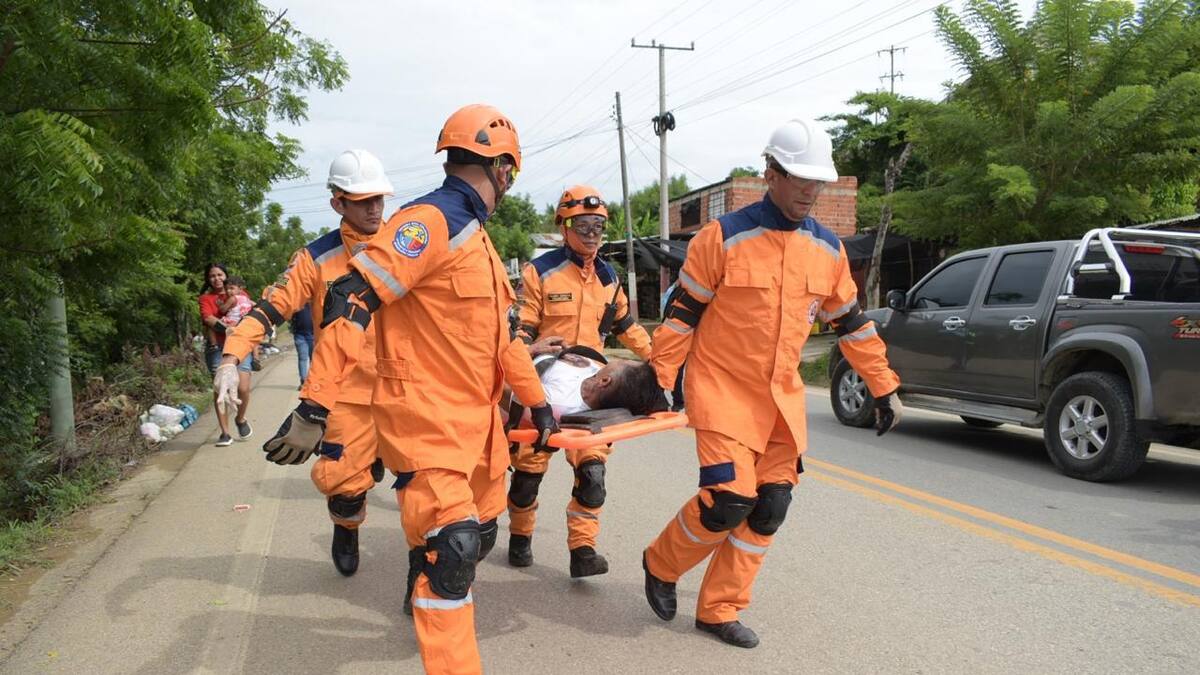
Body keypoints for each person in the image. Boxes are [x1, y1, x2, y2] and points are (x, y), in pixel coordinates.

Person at [261, 104, 557, 675]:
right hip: (426, 425)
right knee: (453, 552)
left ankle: (420, 565)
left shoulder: (479, 241)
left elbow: (502, 340)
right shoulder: (430, 222)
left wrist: (538, 402)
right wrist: (315, 405)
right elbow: (350, 298)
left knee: (479, 537)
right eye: (510, 172)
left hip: (480, 431)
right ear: (503, 169)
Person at [642, 118, 904, 649]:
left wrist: (882, 385)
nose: (810, 191)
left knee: (770, 507)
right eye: (800, 179)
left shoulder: (828, 249)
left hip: (782, 400)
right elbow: (681, 317)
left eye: (818, 181)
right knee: (728, 500)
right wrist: (659, 380)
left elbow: (851, 323)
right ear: (772, 173)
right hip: (722, 391)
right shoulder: (722, 237)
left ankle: (719, 609)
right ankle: (661, 563)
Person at [214, 149, 394, 577]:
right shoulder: (315, 259)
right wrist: (231, 358)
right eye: (362, 201)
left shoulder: (407, 247)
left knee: (430, 484)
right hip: (345, 391)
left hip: (406, 385)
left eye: (378, 199)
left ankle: (427, 572)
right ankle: (346, 526)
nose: (374, 209)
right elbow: (270, 309)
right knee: (344, 484)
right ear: (338, 203)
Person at [507, 184, 653, 576]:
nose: (592, 233)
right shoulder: (540, 271)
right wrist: (529, 348)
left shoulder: (609, 278)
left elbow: (627, 328)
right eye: (583, 225)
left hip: (592, 391)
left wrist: (661, 364)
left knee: (592, 475)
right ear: (564, 226)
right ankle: (520, 537)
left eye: (598, 226)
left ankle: (583, 550)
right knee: (527, 476)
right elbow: (523, 327)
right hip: (546, 386)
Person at [504, 352, 668, 423]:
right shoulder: (597, 371)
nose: (618, 359)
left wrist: (527, 350)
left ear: (605, 381)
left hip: (503, 355)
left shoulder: (558, 403)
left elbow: (498, 387)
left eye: (623, 361)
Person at [198, 263, 253, 447]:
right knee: (220, 389)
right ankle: (225, 432)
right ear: (208, 279)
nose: (216, 279)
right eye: (212, 276)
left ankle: (240, 418)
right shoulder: (206, 298)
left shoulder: (240, 294)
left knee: (243, 388)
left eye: (220, 274)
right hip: (218, 348)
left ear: (226, 275)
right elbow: (208, 318)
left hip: (240, 346)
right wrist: (228, 328)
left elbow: (250, 314)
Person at [291, 304, 314, 389]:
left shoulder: (317, 302)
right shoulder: (298, 302)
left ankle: (313, 380)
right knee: (303, 358)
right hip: (300, 335)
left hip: (314, 335)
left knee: (314, 359)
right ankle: (303, 381)